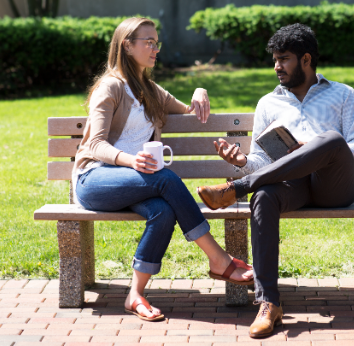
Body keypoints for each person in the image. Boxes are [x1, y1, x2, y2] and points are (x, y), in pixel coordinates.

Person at [197, 23, 354, 338]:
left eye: (285, 59)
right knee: (262, 196)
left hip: (334, 185)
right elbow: (262, 161)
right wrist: (242, 163)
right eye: (275, 60)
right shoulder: (268, 103)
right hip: (293, 186)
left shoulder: (344, 95)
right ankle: (268, 303)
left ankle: (234, 190)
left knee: (331, 139)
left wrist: (315, 149)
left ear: (306, 60)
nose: (277, 66)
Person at [73, 17, 253, 322]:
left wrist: (199, 90)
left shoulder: (149, 90)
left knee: (163, 211)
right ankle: (219, 260)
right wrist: (130, 161)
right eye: (149, 42)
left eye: (157, 42)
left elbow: (189, 111)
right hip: (95, 180)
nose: (155, 48)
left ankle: (135, 295)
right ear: (127, 46)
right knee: (165, 177)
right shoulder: (110, 88)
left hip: (137, 183)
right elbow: (94, 145)